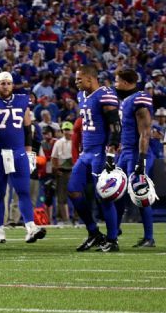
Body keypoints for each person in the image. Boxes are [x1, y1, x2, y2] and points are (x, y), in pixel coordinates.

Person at [0, 72, 46, 244]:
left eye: (8, 83)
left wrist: (30, 152)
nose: (6, 86)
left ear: (13, 84)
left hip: (17, 152)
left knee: (23, 191)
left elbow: (27, 129)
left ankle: (30, 227)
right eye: (2, 83)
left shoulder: (22, 100)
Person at [71, 65, 121, 252]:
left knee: (104, 196)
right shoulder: (81, 96)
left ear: (90, 79)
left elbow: (115, 125)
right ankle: (94, 232)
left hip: (101, 152)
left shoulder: (105, 94)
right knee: (73, 190)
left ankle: (112, 239)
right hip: (86, 153)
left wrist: (110, 153)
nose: (76, 82)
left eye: (79, 79)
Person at [113, 69, 155, 248]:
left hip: (137, 153)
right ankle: (115, 230)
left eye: (116, 81)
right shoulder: (126, 101)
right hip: (125, 152)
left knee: (140, 193)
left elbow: (145, 132)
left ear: (124, 82)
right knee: (116, 192)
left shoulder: (139, 99)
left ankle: (149, 237)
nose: (115, 84)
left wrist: (141, 160)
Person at [50, 121, 74, 225]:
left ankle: (76, 218)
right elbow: (54, 157)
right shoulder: (58, 143)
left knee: (76, 194)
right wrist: (56, 169)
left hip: (74, 171)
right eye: (65, 130)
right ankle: (65, 219)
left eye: (68, 129)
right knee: (61, 196)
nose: (66, 132)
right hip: (63, 171)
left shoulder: (76, 141)